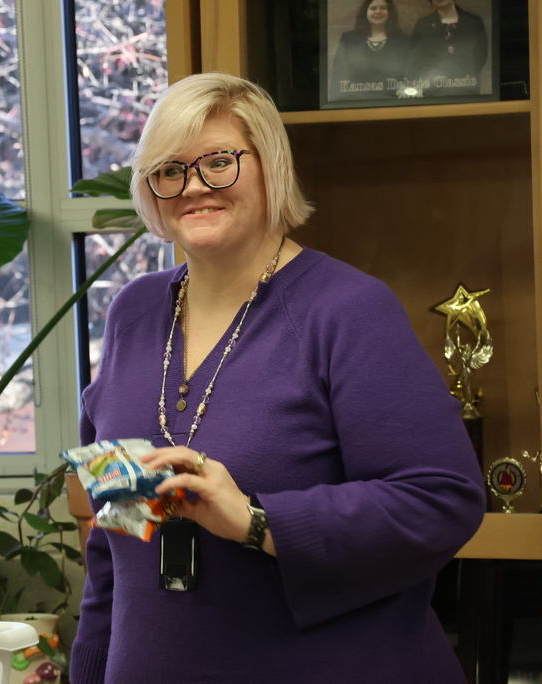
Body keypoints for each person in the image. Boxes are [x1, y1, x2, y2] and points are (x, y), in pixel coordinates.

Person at [69, 72, 485, 684]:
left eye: (218, 162)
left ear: (272, 167)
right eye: (170, 170)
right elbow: (111, 539)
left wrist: (257, 520)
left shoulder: (347, 311)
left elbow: (442, 499)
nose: (194, 187)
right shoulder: (132, 311)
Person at [329, 0, 411, 101]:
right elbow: (339, 76)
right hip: (356, 103)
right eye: (373, 8)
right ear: (365, 12)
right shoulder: (349, 40)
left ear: (390, 12)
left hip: (393, 103)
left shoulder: (403, 41)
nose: (378, 11)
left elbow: (409, 78)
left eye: (383, 8)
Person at [410, 0, 488, 96]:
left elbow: (480, 57)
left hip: (467, 92)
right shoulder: (423, 25)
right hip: (433, 94)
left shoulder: (473, 22)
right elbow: (416, 60)